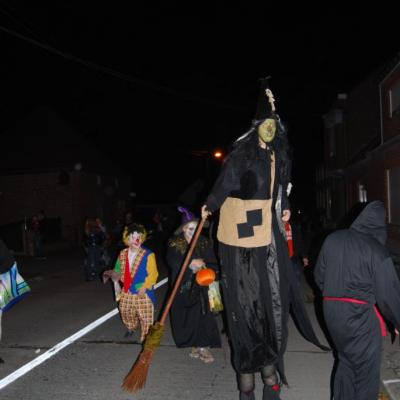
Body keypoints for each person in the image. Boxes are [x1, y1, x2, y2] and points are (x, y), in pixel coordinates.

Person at [201, 79, 327, 400]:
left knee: (269, 296)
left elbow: (281, 190)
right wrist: (209, 206)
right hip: (240, 231)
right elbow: (224, 184)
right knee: (244, 300)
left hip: (265, 231)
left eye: (274, 125)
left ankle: (270, 374)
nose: (270, 130)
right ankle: (249, 377)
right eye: (265, 124)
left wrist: (283, 209)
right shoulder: (241, 156)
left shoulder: (280, 158)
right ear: (257, 126)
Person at [314, 200, 400, 400]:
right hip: (359, 317)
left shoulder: (333, 239)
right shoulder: (377, 251)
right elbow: (389, 294)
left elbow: (319, 275)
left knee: (346, 362)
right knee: (366, 374)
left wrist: (335, 296)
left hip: (331, 312)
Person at [167, 206, 221, 363]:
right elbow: (172, 261)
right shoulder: (175, 243)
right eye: (189, 228)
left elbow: (213, 262)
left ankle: (204, 346)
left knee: (204, 314)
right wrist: (190, 263)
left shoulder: (203, 242)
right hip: (184, 285)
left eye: (195, 228)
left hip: (204, 286)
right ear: (183, 229)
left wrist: (205, 266)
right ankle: (194, 345)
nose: (192, 231)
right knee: (188, 317)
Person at [103, 223, 158, 342]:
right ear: (127, 239)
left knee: (145, 316)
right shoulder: (122, 253)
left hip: (142, 289)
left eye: (138, 236)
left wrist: (146, 287)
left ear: (142, 237)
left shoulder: (148, 254)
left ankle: (146, 337)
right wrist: (113, 275)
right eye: (132, 237)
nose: (136, 240)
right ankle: (131, 327)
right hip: (127, 288)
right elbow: (118, 269)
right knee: (125, 310)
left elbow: (153, 274)